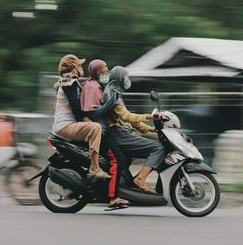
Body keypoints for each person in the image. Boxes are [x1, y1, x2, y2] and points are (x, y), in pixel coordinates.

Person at [103, 66, 166, 193]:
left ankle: (129, 183)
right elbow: (127, 117)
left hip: (122, 132)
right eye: (127, 78)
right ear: (120, 78)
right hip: (118, 134)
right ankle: (140, 179)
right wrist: (150, 116)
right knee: (158, 147)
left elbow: (130, 121)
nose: (128, 80)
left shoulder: (116, 92)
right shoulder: (113, 94)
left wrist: (151, 129)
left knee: (154, 144)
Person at [80, 59, 129, 208]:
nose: (106, 72)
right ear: (96, 71)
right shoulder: (91, 86)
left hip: (103, 130)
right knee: (118, 159)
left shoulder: (99, 86)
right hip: (99, 133)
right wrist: (110, 103)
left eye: (107, 70)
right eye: (104, 70)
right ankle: (113, 197)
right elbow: (93, 113)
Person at [52, 54, 110, 178]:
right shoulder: (70, 82)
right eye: (79, 65)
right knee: (96, 128)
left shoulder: (67, 82)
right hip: (66, 125)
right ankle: (94, 167)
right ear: (74, 68)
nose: (81, 68)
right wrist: (88, 120)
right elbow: (77, 109)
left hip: (64, 124)